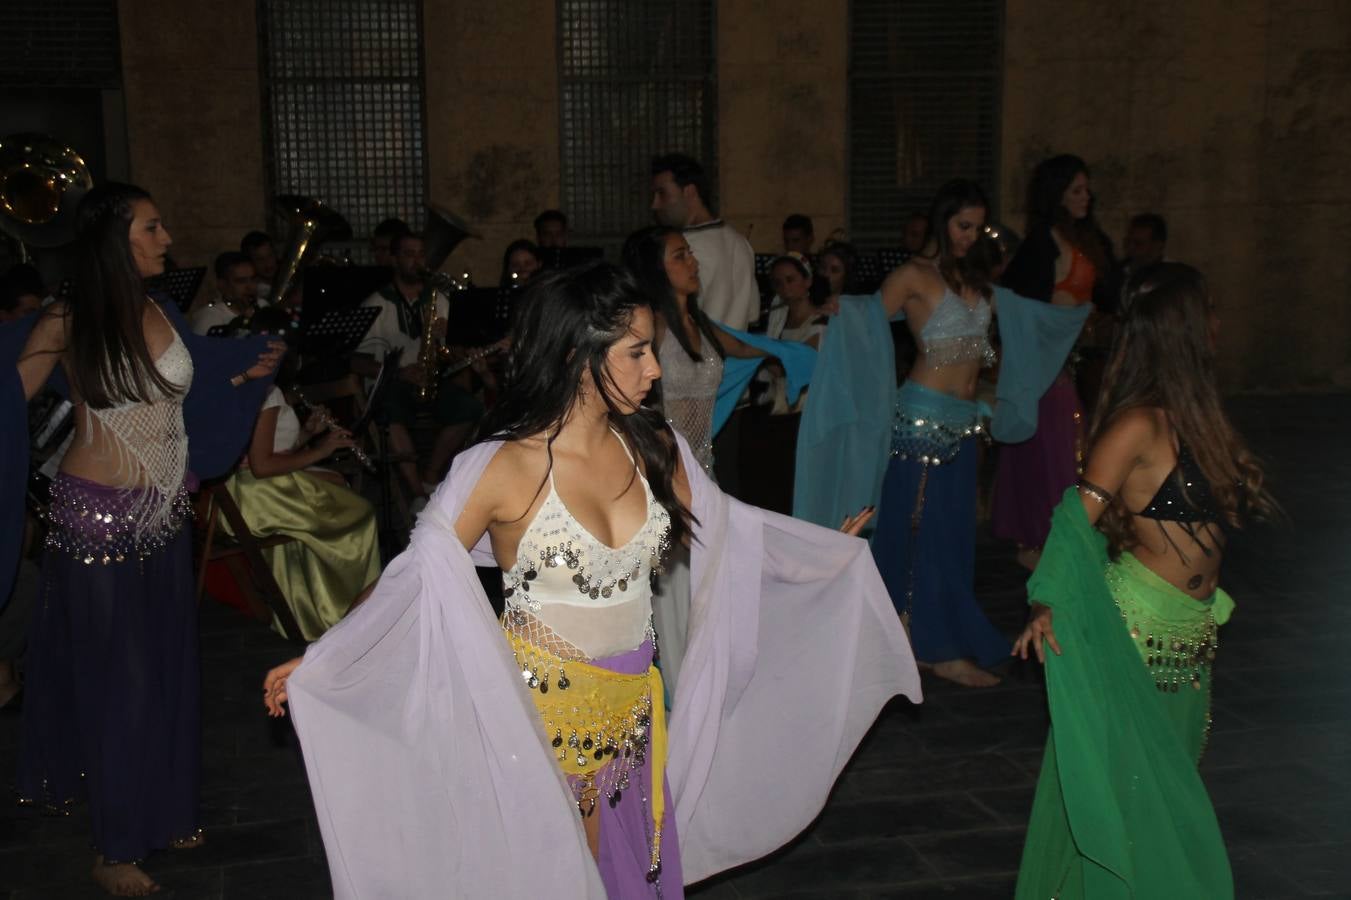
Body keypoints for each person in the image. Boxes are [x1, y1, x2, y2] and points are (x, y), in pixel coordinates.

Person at [261, 260, 919, 899]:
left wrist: (823, 558)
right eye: (636, 352)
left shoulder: (655, 445)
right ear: (579, 351)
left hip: (633, 713)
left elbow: (733, 531)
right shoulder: (498, 467)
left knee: (624, 872)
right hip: (539, 719)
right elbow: (415, 574)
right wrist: (326, 654)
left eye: (651, 349)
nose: (655, 370)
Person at [3, 182, 280, 895]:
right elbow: (10, 396)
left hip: (162, 514)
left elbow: (183, 390)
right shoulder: (66, 319)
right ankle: (114, 847)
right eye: (152, 228)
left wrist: (244, 372)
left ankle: (165, 807)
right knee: (117, 681)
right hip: (92, 518)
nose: (165, 240)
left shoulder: (161, 310)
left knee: (166, 668)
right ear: (114, 237)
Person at [1011, 262, 1276, 899]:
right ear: (1181, 329)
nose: (1216, 324)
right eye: (1206, 312)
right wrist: (1047, 599)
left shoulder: (1196, 417)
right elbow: (1075, 520)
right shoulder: (1138, 426)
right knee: (1137, 795)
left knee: (1167, 784)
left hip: (1190, 637)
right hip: (1135, 635)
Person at [623, 226, 811, 691]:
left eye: (690, 253)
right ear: (656, 269)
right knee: (677, 595)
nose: (693, 262)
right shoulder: (653, 327)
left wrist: (801, 353)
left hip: (704, 474)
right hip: (663, 478)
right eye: (680, 255)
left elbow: (748, 349)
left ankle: (708, 688)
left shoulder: (701, 324)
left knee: (709, 589)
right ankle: (681, 695)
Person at [222, 308, 381, 642]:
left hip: (245, 492)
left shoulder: (243, 384)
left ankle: (306, 612)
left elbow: (268, 450)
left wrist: (307, 436)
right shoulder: (268, 391)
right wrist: (322, 451)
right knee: (360, 515)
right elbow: (263, 465)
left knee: (330, 495)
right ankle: (351, 612)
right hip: (258, 496)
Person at [993, 154, 1115, 569]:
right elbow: (1017, 306)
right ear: (1057, 195)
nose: (1087, 196)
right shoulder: (1042, 244)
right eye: (1076, 190)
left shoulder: (1083, 238)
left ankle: (1057, 559)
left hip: (1075, 370)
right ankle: (1047, 561)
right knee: (1054, 468)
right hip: (1049, 379)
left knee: (1071, 460)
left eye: (1087, 189)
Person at [354, 231, 484, 505]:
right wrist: (398, 372)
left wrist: (448, 337)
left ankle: (430, 476)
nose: (417, 261)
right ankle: (415, 493)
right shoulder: (376, 303)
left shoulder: (437, 299)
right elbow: (357, 361)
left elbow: (453, 354)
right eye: (408, 254)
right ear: (393, 259)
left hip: (431, 379)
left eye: (421, 254)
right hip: (393, 383)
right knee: (387, 412)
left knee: (469, 408)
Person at [650, 153, 759, 331]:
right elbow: (752, 314)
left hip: (697, 355)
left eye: (662, 193)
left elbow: (671, 319)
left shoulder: (679, 251)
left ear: (690, 192)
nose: (655, 205)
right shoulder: (740, 242)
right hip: (736, 354)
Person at [188, 251, 262, 335]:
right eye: (241, 281)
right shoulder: (209, 318)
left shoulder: (263, 305)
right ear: (222, 285)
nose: (250, 287)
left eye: (253, 279)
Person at [1116, 212, 1168, 310]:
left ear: (1158, 245)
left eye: (1138, 244)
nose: (1130, 248)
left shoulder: (1172, 277)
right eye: (1127, 242)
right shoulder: (1118, 272)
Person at [239, 231, 279, 302]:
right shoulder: (249, 292)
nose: (268, 263)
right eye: (260, 260)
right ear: (250, 262)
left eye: (270, 256)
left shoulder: (289, 280)